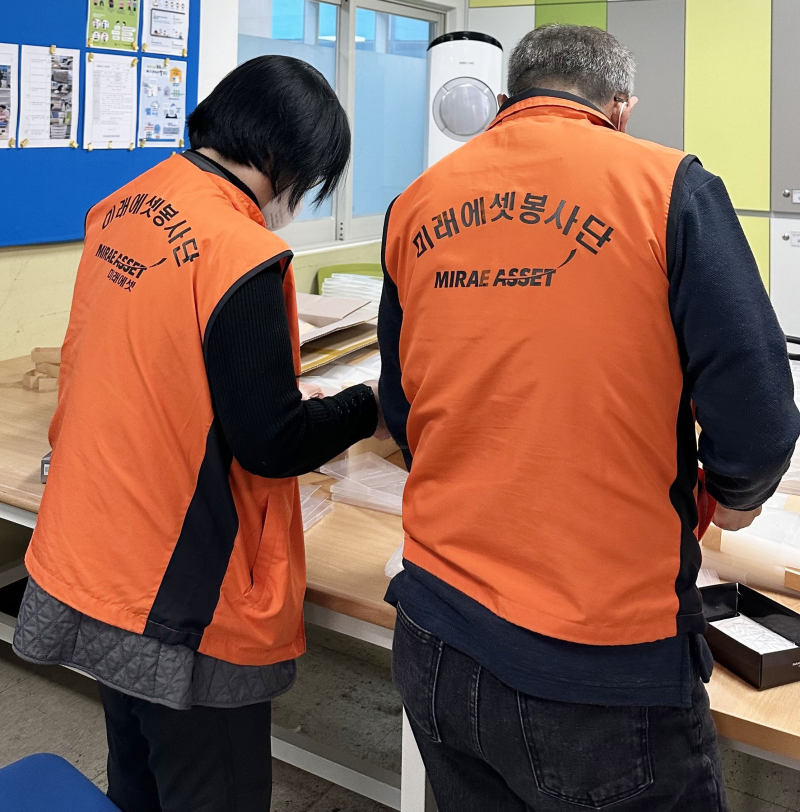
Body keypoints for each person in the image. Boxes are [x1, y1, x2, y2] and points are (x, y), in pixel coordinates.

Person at [378, 24, 800, 812]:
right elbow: (760, 416)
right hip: (599, 662)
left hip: (434, 632)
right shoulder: (669, 187)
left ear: (504, 100)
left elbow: (402, 411)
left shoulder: (416, 203)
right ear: (621, 108)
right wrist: (732, 498)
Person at [14, 55, 384, 812]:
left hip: (98, 547)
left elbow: (152, 357)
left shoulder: (123, 206)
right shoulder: (240, 251)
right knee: (210, 785)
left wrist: (263, 387)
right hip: (182, 590)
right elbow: (273, 443)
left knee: (137, 774)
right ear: (283, 155)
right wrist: (366, 406)